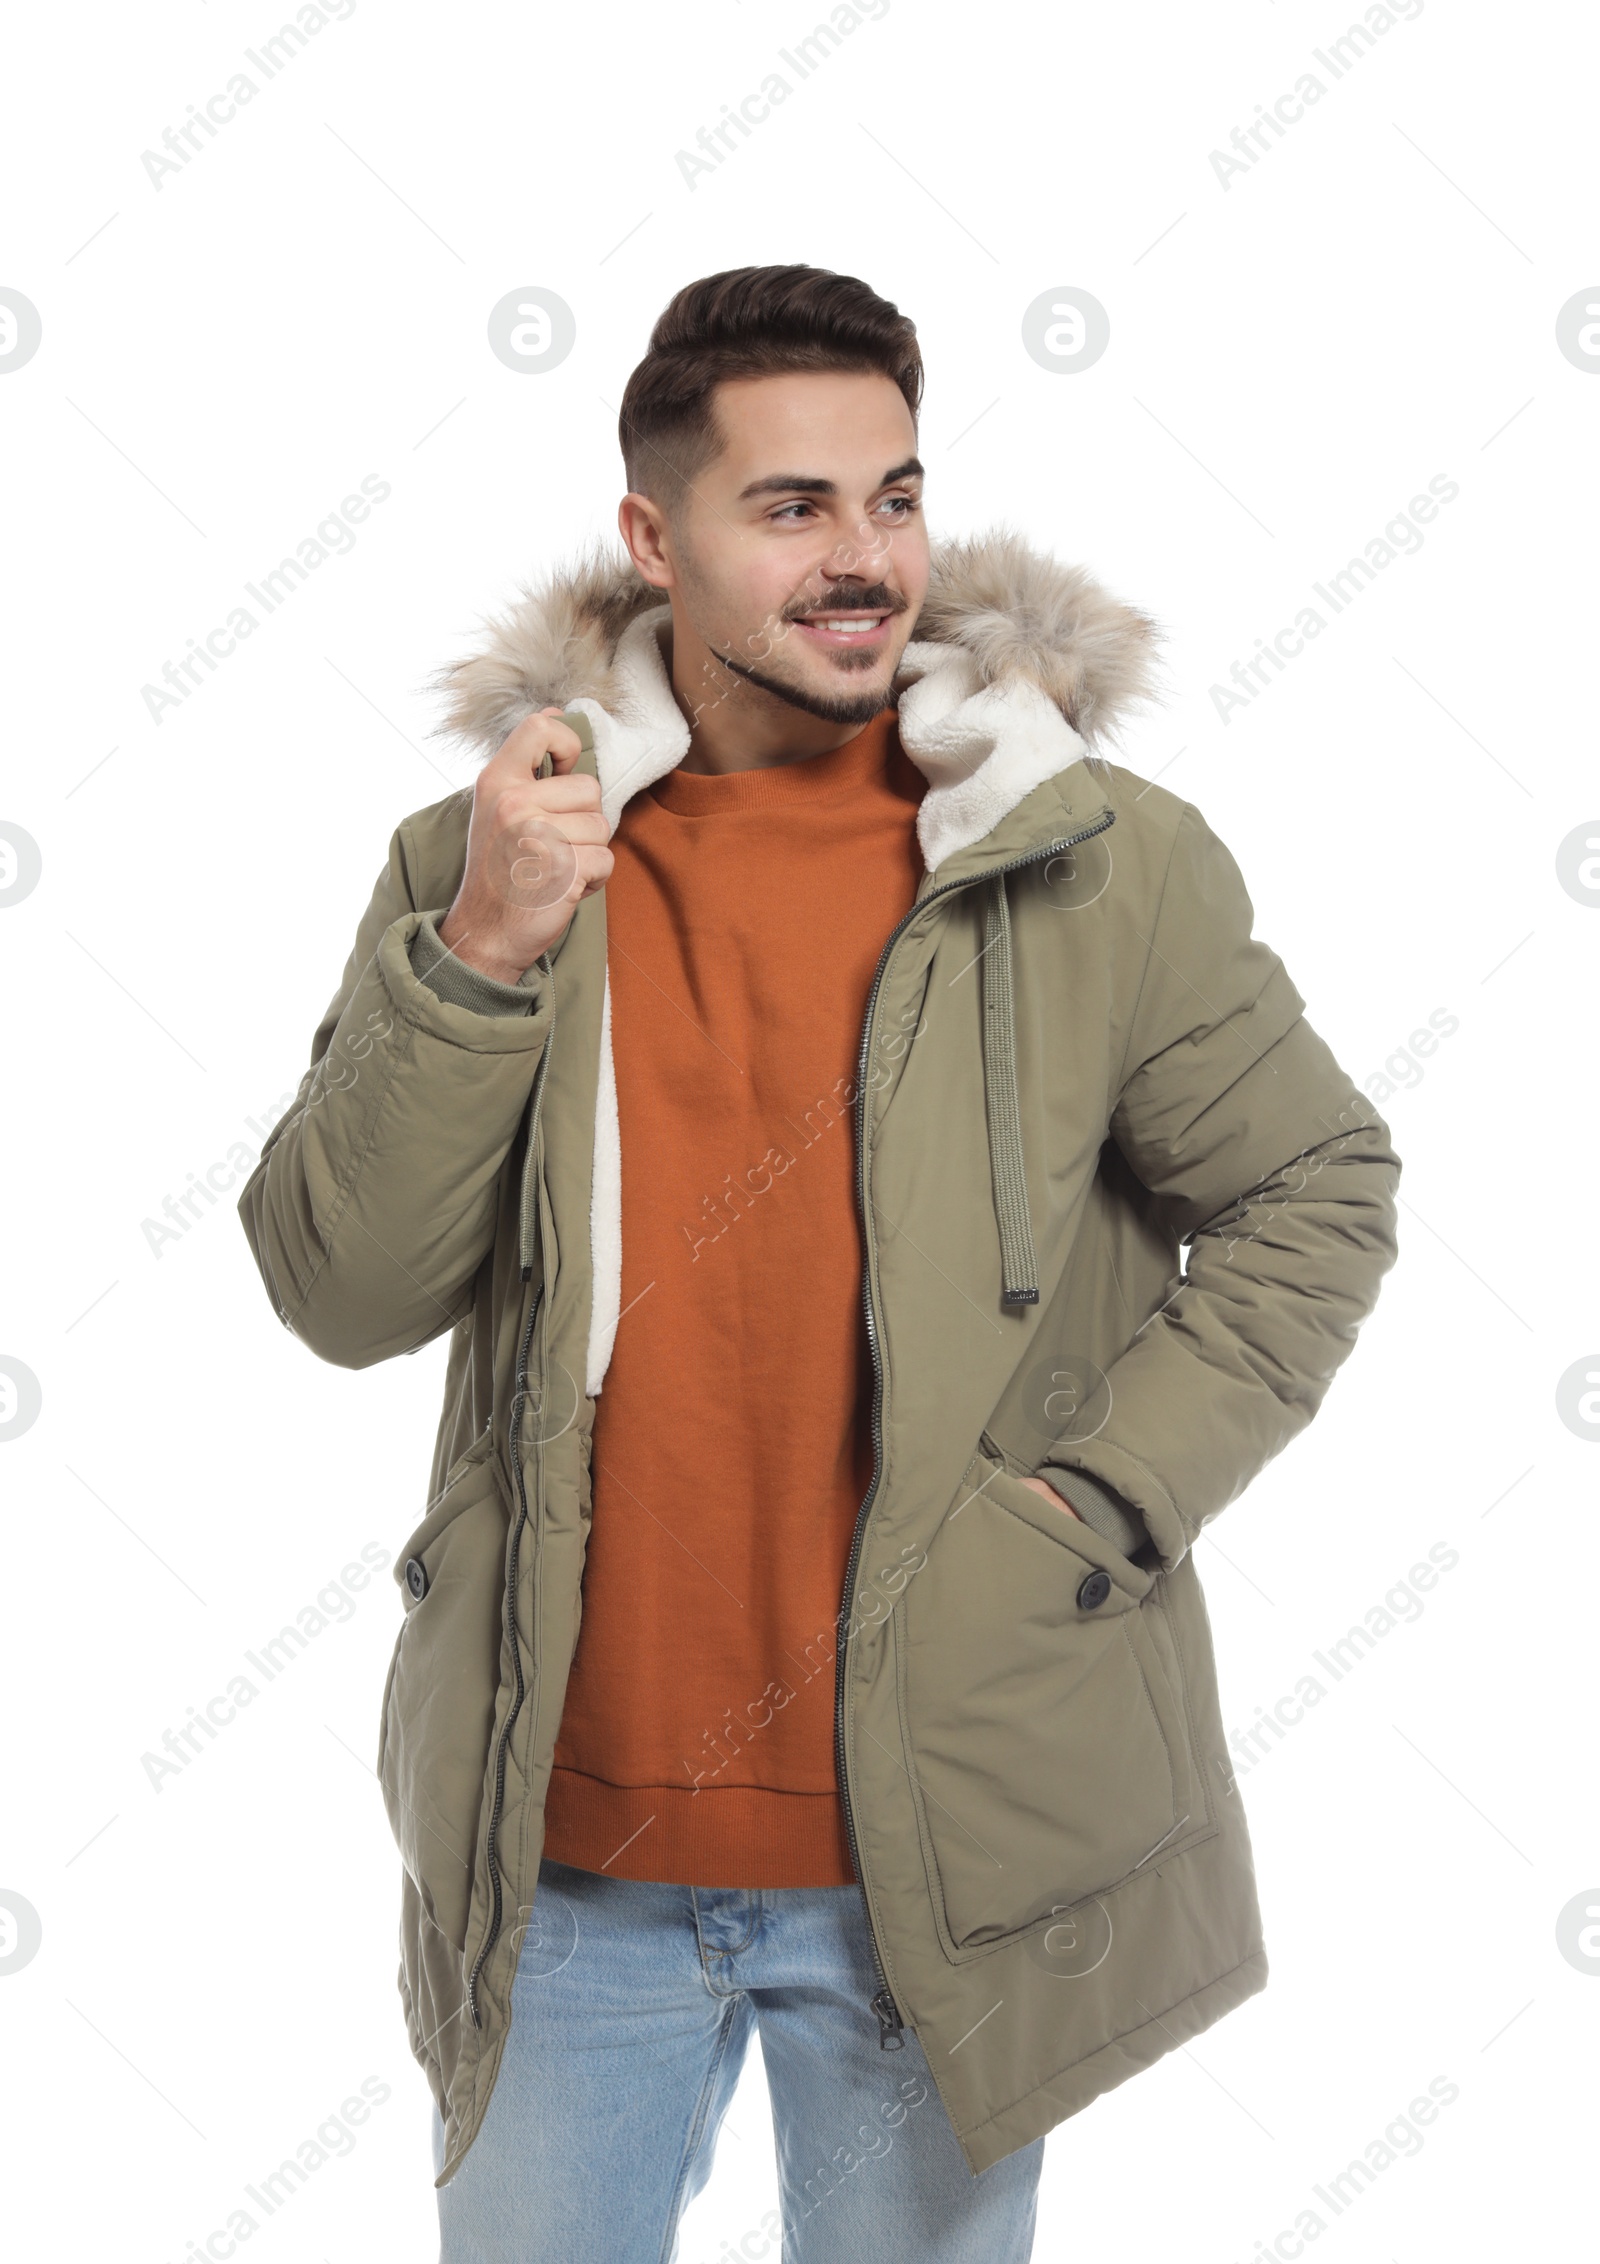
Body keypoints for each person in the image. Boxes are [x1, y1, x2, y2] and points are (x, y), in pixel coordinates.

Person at [239, 264, 1400, 2263]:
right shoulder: (489, 859)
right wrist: (482, 958)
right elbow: (339, 1289)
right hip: (560, 1862)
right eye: (791, 507)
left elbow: (1314, 1184)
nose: (864, 559)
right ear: (650, 536)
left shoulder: (1082, 858)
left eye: (894, 494)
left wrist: (1096, 1498)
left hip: (937, 1859)